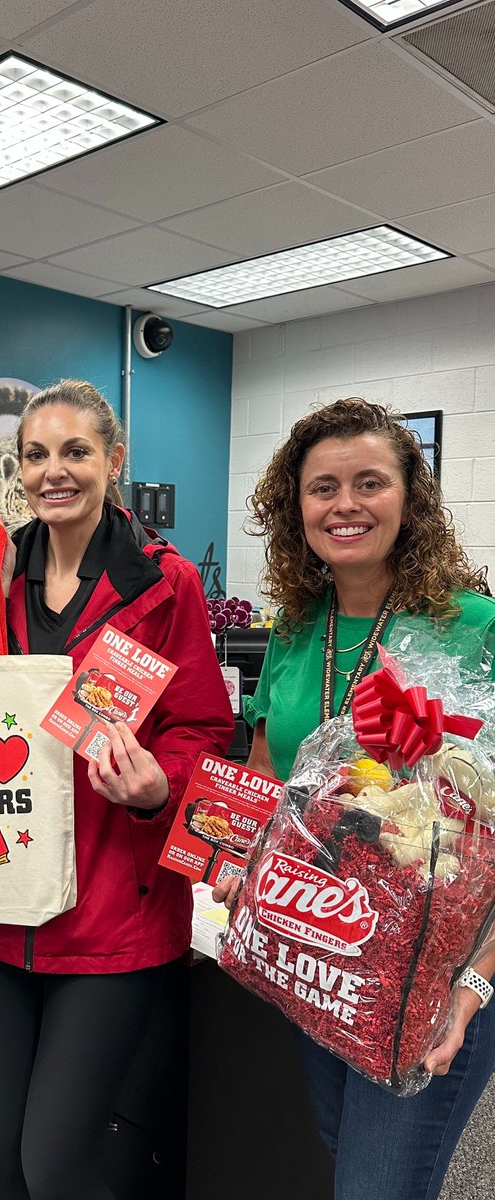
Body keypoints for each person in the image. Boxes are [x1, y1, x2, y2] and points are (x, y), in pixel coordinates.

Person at [0, 379, 234, 1200]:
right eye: (36, 455)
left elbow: (202, 728)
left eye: (75, 452)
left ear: (114, 460)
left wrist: (157, 786)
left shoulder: (164, 584)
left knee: (53, 1165)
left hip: (111, 914)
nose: (53, 472)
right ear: (16, 467)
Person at [213, 397, 495, 1200]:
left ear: (410, 499)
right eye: (322, 487)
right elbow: (268, 771)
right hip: (323, 952)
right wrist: (242, 862)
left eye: (369, 482)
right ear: (293, 506)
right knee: (347, 1158)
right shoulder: (299, 628)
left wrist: (474, 987)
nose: (345, 505)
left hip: (435, 975)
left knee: (376, 1184)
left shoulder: (476, 629)